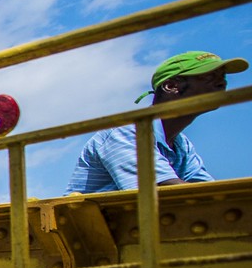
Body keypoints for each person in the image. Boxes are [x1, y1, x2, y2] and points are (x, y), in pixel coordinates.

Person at [67, 50, 242, 193]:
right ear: (171, 86)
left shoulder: (181, 144)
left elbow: (208, 189)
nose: (222, 83)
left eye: (222, 76)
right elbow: (163, 189)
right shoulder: (127, 131)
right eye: (209, 76)